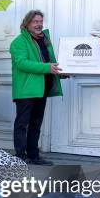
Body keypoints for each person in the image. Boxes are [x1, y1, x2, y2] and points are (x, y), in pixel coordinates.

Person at [10, 10, 64, 165]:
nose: (39, 24)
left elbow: (50, 61)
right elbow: (22, 63)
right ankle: (20, 156)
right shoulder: (19, 42)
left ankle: (34, 155)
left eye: (40, 21)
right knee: (22, 123)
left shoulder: (44, 40)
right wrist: (47, 68)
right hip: (26, 89)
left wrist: (60, 72)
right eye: (35, 21)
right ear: (27, 24)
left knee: (36, 123)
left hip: (42, 88)